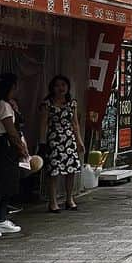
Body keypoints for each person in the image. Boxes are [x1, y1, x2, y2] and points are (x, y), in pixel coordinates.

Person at [37, 75, 84, 213]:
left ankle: (70, 199)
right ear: (52, 88)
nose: (61, 88)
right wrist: (42, 142)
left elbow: (75, 124)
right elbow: (43, 124)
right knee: (54, 171)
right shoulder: (47, 104)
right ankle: (53, 201)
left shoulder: (72, 103)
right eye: (57, 85)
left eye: (63, 85)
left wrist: (79, 141)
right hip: (54, 140)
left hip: (69, 139)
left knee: (71, 170)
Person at [0, 74, 27, 238]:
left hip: (7, 146)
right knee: (1, 184)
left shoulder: (8, 105)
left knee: (9, 184)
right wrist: (20, 148)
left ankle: (1, 218)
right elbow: (11, 131)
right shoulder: (3, 106)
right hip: (5, 146)